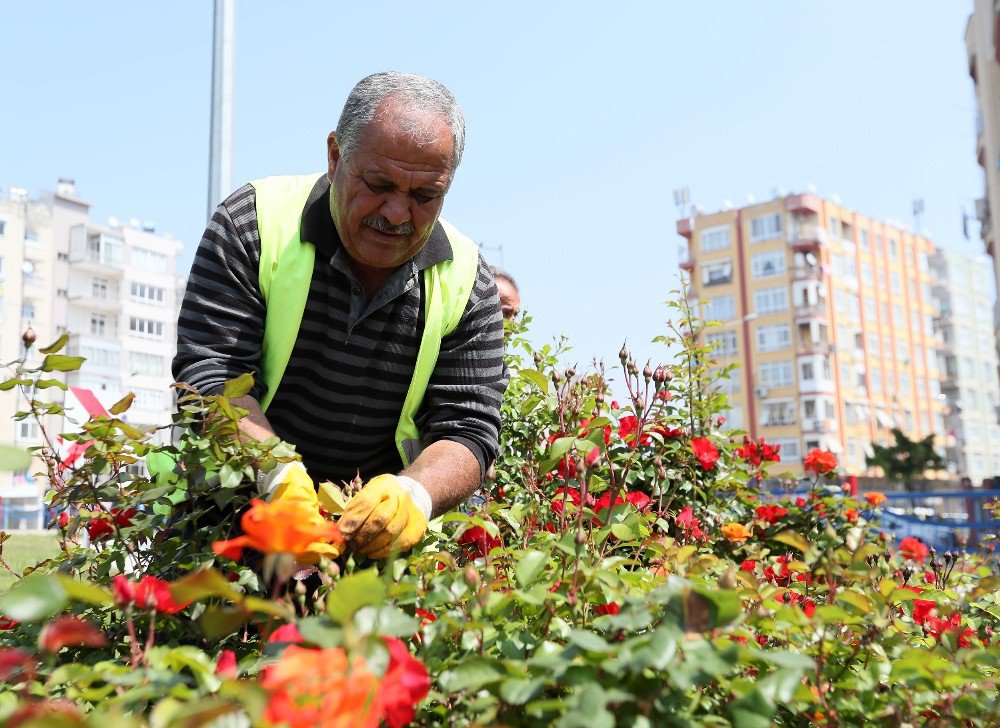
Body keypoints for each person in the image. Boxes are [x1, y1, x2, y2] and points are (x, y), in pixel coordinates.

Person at [173, 72, 508, 558]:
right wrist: (278, 476)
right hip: (235, 533)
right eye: (378, 184)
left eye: (424, 196)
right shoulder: (253, 224)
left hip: (378, 551)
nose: (396, 213)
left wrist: (414, 494)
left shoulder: (467, 279)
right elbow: (211, 377)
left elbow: (469, 430)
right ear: (334, 157)